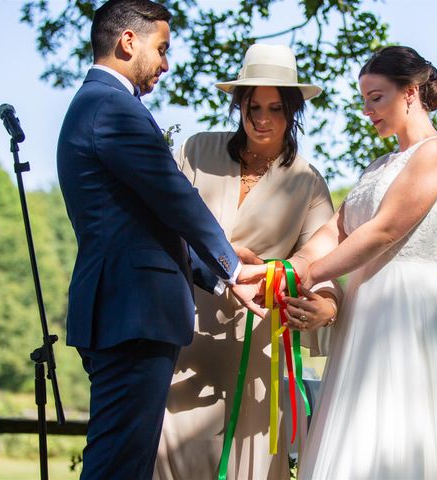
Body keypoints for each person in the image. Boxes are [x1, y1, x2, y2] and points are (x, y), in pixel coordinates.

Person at [283, 46, 437, 479]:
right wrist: (284, 269)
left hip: (408, 307)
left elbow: (384, 231)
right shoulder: (377, 166)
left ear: (410, 93)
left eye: (376, 97)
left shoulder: (436, 154)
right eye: (364, 100)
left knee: (412, 426)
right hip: (364, 309)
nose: (367, 110)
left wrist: (313, 275)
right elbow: (336, 231)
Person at [56, 1, 263, 478]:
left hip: (127, 312)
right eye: (162, 49)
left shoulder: (102, 105)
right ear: (128, 41)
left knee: (125, 460)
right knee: (118, 464)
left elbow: (149, 220)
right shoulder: (112, 107)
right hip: (132, 313)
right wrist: (229, 263)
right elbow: (174, 197)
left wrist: (217, 278)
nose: (167, 64)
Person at [153, 43, 341, 480]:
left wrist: (327, 307)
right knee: (168, 459)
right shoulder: (197, 151)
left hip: (260, 350)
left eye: (275, 108)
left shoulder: (308, 182)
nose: (261, 118)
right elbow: (163, 225)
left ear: (293, 110)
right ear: (238, 104)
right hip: (185, 335)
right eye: (252, 106)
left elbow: (325, 260)